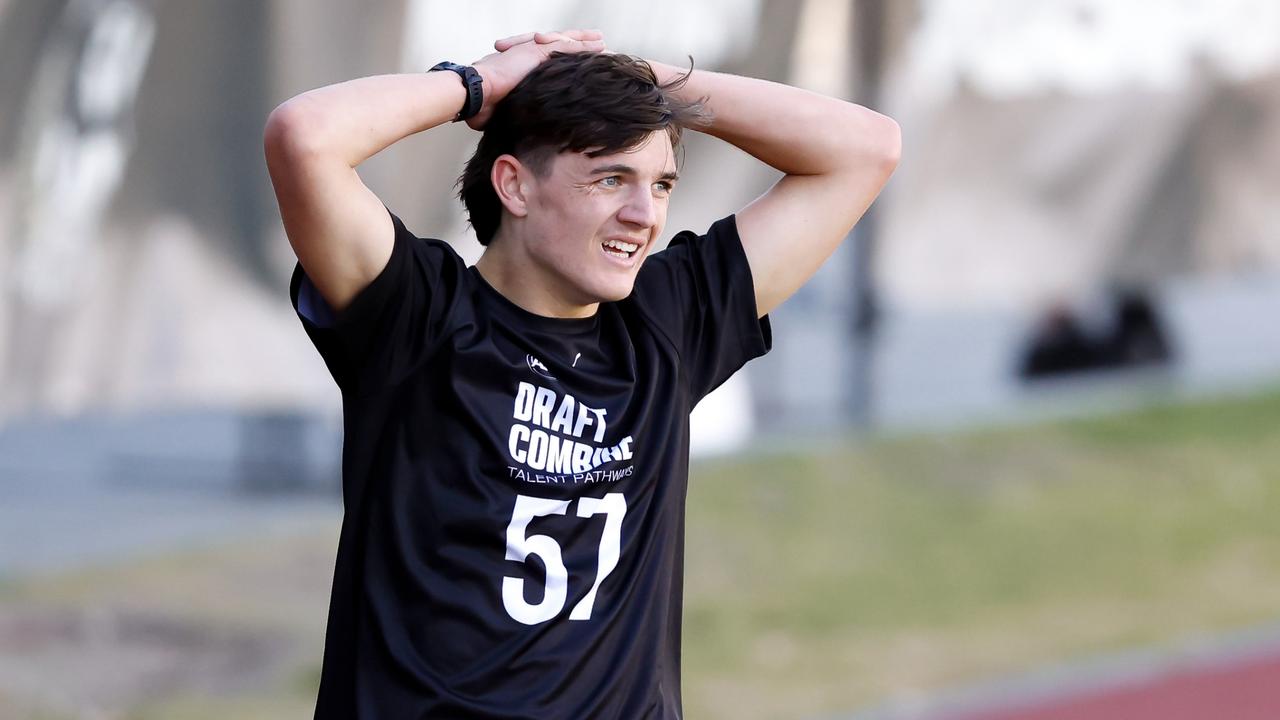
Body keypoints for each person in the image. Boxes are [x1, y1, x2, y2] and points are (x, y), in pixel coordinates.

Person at [264, 28, 899, 719]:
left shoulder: (667, 320)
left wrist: (637, 79)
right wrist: (478, 84)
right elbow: (304, 136)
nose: (643, 215)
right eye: (610, 179)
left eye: (660, 185)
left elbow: (865, 149)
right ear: (514, 185)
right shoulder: (418, 316)